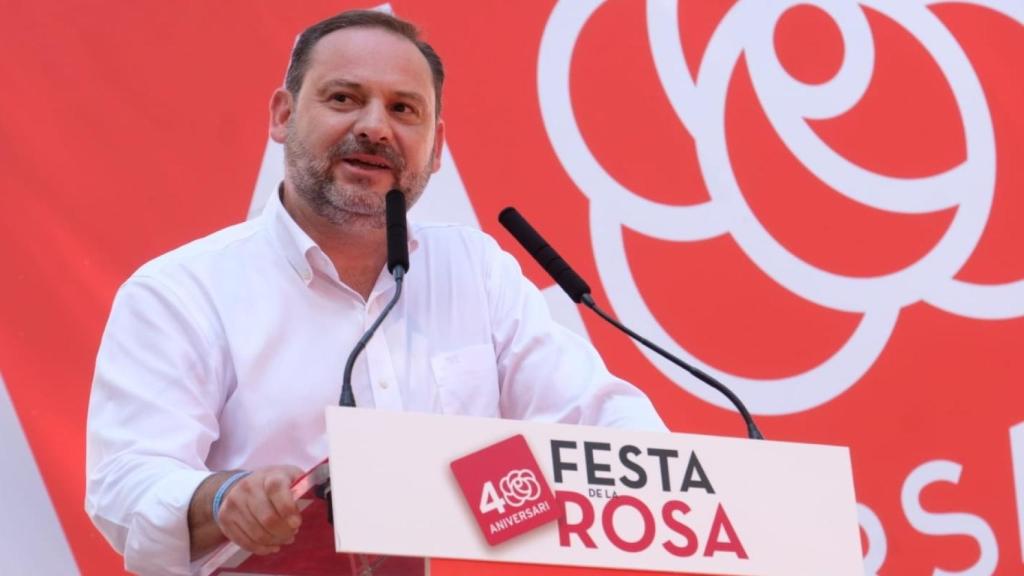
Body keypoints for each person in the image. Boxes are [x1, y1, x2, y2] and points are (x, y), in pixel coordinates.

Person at [85, 9, 665, 576]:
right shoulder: (181, 292)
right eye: (343, 98)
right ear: (283, 115)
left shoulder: (476, 270)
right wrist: (222, 497)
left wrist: (689, 480)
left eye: (403, 109)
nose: (374, 127)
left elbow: (597, 419)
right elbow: (126, 481)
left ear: (436, 148)